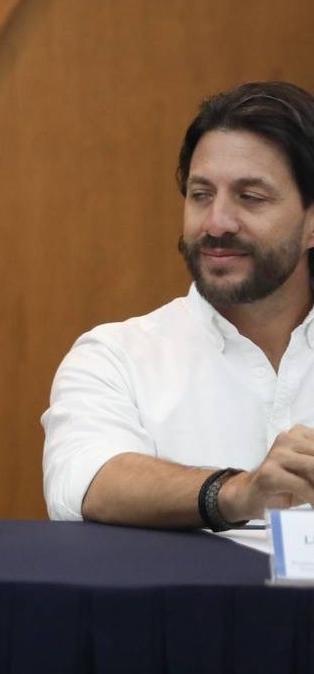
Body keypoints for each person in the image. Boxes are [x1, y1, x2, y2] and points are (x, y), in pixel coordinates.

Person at [42, 81, 314, 530]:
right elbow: (83, 482)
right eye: (201, 194)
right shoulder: (116, 356)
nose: (217, 223)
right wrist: (238, 493)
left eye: (250, 197)